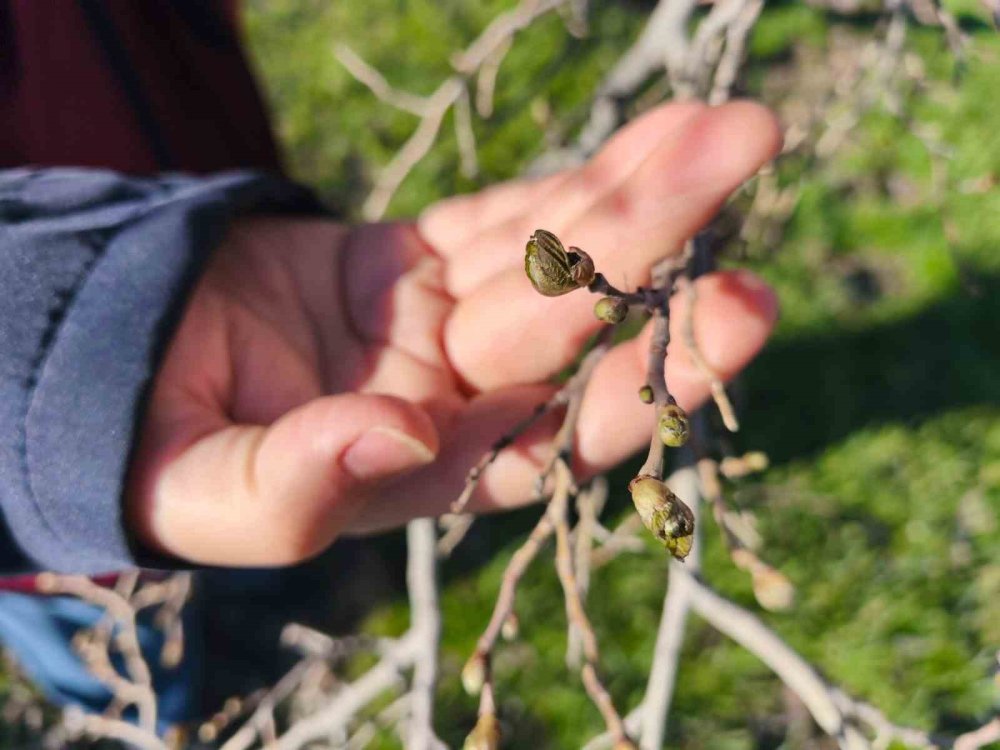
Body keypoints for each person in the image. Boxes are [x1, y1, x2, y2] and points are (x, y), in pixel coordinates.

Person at [0, 0, 781, 731]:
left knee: (303, 487)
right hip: (48, 511)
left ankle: (278, 600)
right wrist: (44, 345)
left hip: (200, 195)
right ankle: (154, 718)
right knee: (103, 627)